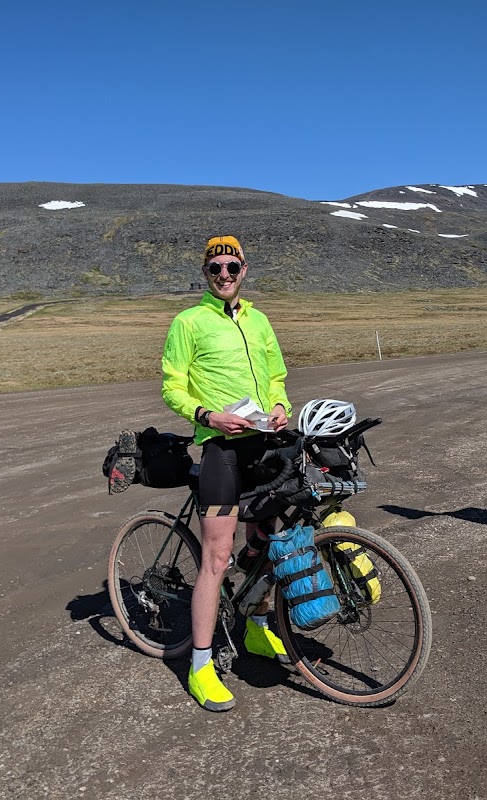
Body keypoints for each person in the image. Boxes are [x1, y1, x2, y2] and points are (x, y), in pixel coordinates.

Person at [161, 235, 292, 712]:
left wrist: (280, 406)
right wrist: (205, 415)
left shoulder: (259, 320)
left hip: (263, 445)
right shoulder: (188, 322)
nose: (224, 275)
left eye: (231, 266)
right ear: (205, 273)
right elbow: (171, 386)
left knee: (264, 545)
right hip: (220, 450)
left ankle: (256, 628)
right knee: (217, 559)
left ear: (244, 268)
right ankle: (200, 666)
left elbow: (276, 376)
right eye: (214, 268)